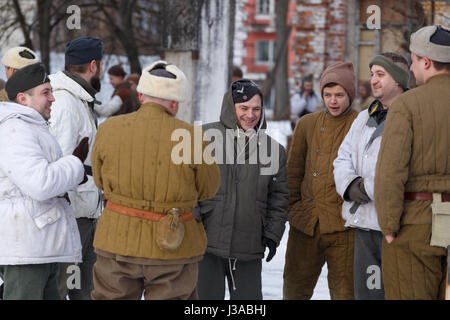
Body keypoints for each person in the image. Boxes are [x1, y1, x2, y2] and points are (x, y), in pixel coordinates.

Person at [90, 60, 220, 300]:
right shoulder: (192, 137)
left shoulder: (109, 129)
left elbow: (99, 180)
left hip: (117, 241)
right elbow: (209, 188)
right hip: (173, 245)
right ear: (174, 103)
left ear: (141, 96)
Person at [0, 62, 89, 300]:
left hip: (39, 245)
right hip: (25, 248)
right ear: (23, 99)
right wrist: (74, 165)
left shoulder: (32, 126)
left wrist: (75, 170)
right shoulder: (16, 130)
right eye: (46, 93)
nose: (53, 99)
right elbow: (40, 183)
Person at [374, 25, 450, 300]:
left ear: (427, 62)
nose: (413, 69)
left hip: (416, 223)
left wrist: (389, 227)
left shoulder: (407, 105)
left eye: (415, 61)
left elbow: (389, 173)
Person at [196, 79, 289, 300]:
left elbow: (279, 198)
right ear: (231, 108)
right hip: (206, 242)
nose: (250, 115)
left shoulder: (273, 151)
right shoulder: (203, 138)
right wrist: (192, 222)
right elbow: (186, 185)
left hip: (248, 245)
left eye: (256, 109)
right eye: (244, 108)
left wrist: (273, 235)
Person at [333, 52, 410, 300]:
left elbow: (403, 168)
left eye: (380, 74)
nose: (373, 80)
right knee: (367, 293)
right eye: (372, 73)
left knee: (395, 292)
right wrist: (350, 186)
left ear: (398, 80)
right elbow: (342, 158)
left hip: (396, 226)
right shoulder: (364, 117)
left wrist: (367, 188)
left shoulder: (411, 115)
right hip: (364, 223)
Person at [283, 62, 358, 300]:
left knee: (345, 293)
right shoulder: (307, 124)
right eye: (327, 95)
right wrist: (294, 209)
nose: (333, 101)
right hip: (305, 224)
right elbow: (293, 172)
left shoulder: (361, 124)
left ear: (350, 95)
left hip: (344, 227)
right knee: (295, 290)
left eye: (339, 95)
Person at [48, 37, 104, 300]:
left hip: (84, 210)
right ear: (94, 65)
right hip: (72, 215)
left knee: (87, 291)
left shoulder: (77, 99)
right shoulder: (65, 103)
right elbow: (58, 165)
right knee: (61, 288)